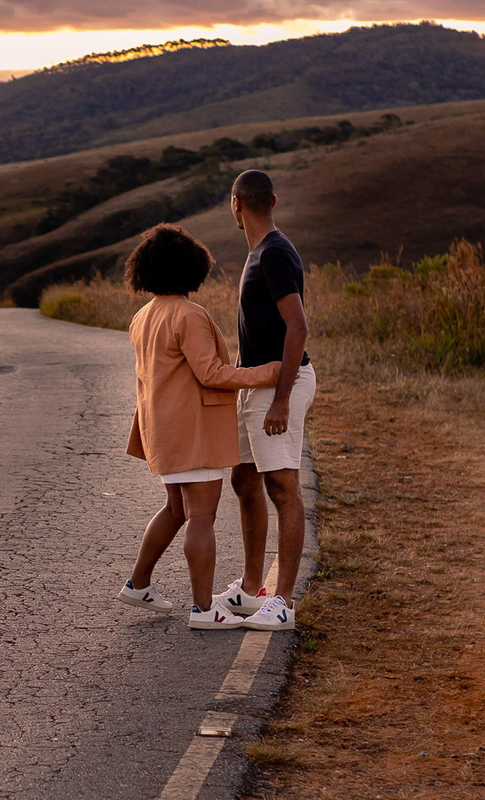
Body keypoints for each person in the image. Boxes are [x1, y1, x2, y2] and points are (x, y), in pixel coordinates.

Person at [117, 223, 280, 630]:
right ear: (192, 268)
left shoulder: (143, 316)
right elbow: (210, 373)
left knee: (176, 509)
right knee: (201, 516)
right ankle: (205, 610)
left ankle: (138, 584)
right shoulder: (188, 315)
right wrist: (265, 374)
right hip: (193, 430)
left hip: (162, 429)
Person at [213, 169, 316, 632]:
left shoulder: (274, 253)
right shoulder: (260, 252)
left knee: (283, 488)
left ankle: (284, 601)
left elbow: (298, 328)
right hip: (257, 384)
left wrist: (281, 398)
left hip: (280, 384)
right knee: (243, 479)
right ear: (270, 200)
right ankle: (252, 589)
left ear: (236, 205)